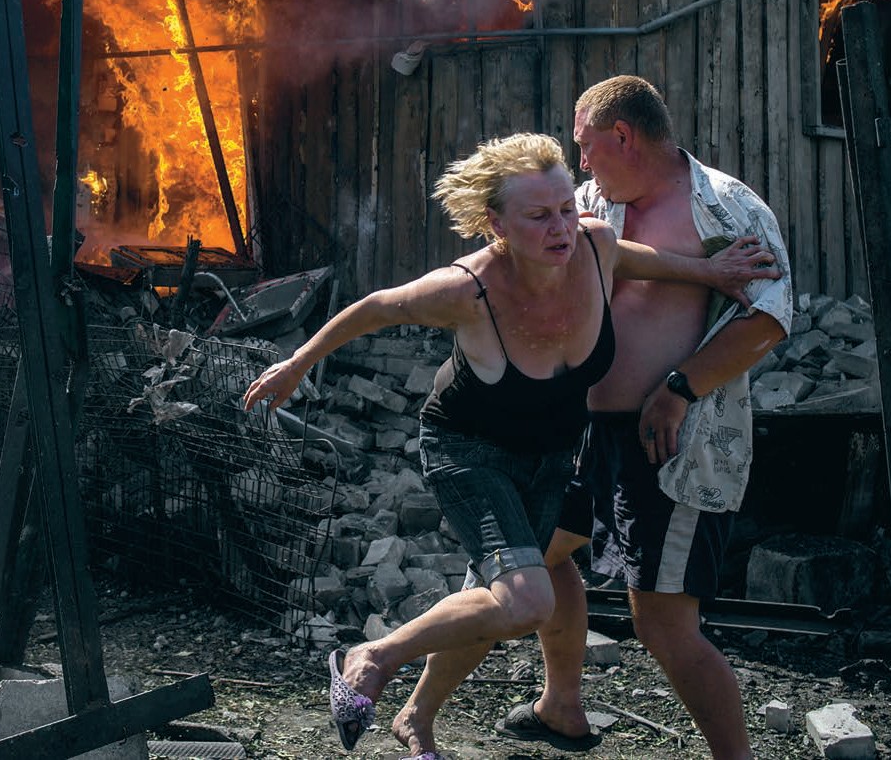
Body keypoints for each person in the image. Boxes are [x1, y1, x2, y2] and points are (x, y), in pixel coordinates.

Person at [242, 132, 777, 759]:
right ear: (497, 224)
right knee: (524, 599)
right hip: (470, 451)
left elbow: (637, 259)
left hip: (552, 455)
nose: (562, 228)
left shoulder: (594, 245)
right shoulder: (465, 289)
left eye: (566, 209)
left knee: (507, 590)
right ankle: (372, 656)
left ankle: (451, 714)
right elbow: (376, 308)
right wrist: (296, 364)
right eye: (539, 216)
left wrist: (708, 271)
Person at [508, 76, 791, 760]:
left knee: (662, 621)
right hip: (580, 434)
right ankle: (562, 706)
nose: (581, 162)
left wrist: (679, 389)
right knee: (537, 555)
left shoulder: (725, 207)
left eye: (586, 146)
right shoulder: (589, 202)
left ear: (623, 136)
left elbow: (771, 317)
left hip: (670, 442)